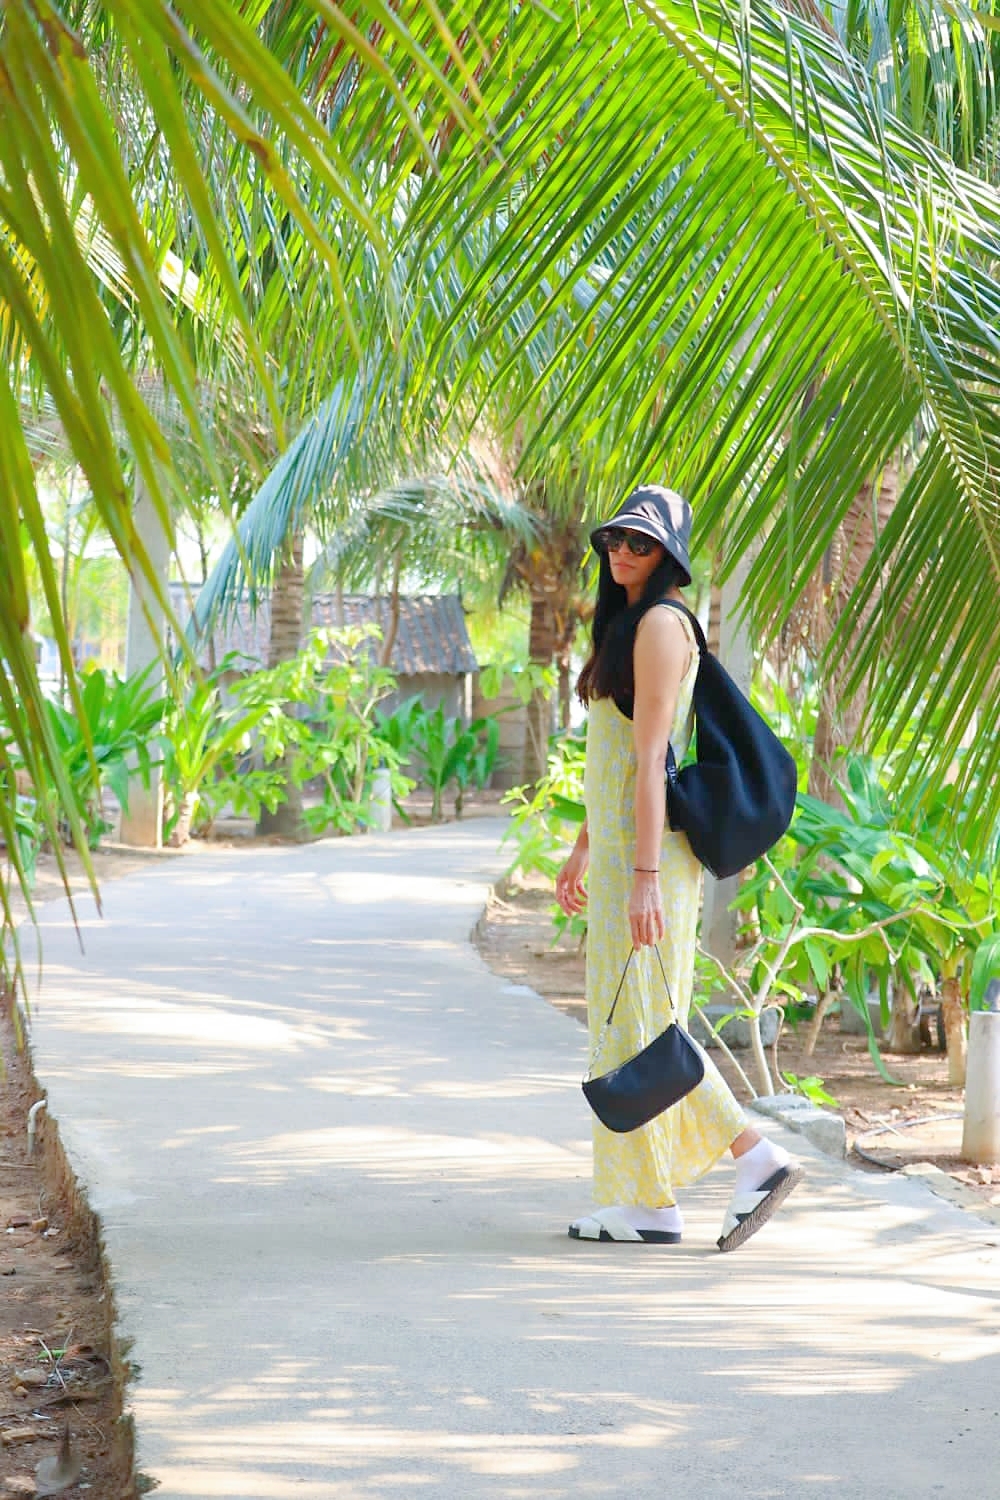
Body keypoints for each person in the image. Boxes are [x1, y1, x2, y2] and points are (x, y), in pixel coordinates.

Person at [555, 484, 802, 1250]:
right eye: (616, 539)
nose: (623, 552)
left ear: (668, 557)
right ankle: (645, 1202)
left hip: (651, 858)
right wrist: (586, 845)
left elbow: (652, 760)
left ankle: (756, 1157)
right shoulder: (627, 624)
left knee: (645, 1025)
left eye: (642, 543)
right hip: (624, 854)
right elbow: (613, 760)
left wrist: (643, 879)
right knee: (624, 1027)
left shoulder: (663, 626)